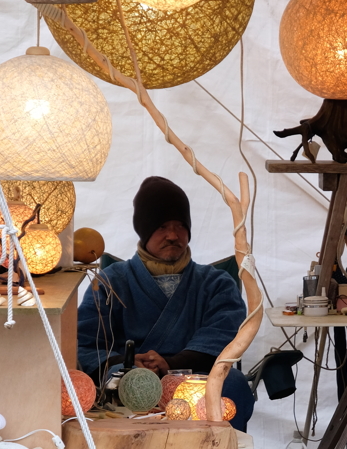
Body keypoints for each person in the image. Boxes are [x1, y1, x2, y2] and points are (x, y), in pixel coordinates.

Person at [76, 176, 254, 431]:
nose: (173, 235)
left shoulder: (216, 283)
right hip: (126, 385)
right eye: (162, 227)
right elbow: (85, 342)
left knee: (234, 383)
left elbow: (225, 336)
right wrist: (122, 364)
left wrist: (171, 363)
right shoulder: (111, 281)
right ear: (145, 230)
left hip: (195, 384)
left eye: (180, 226)